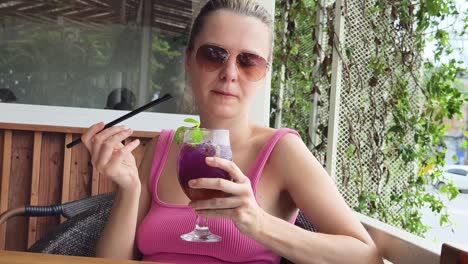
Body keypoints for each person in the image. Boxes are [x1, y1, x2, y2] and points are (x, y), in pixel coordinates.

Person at [81, 1, 382, 263]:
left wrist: (258, 223)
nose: (230, 73)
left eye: (249, 62)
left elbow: (365, 257)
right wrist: (129, 189)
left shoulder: (281, 150)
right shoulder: (165, 144)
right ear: (188, 59)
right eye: (214, 55)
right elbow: (112, 261)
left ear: (264, 73)